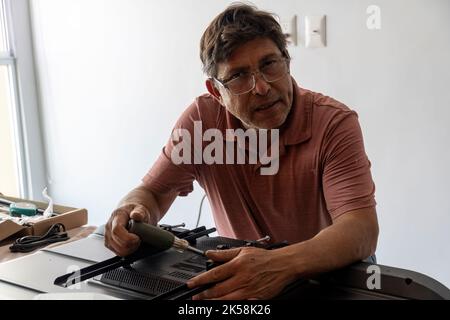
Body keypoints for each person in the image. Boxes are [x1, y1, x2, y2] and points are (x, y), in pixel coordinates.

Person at [104, 3, 379, 300]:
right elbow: (154, 192)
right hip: (244, 282)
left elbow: (359, 229)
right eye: (238, 77)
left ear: (287, 61)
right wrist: (131, 209)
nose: (262, 87)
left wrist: (278, 265)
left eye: (269, 64)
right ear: (215, 92)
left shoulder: (333, 123)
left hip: (327, 281)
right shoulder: (201, 121)